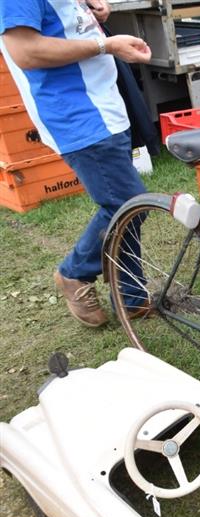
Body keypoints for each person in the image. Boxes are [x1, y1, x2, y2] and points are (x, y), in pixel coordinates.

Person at [0, 0, 152, 327]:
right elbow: (25, 51)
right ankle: (75, 272)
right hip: (77, 114)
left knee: (123, 203)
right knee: (127, 203)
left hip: (102, 103)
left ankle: (131, 295)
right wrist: (105, 44)